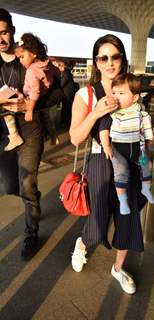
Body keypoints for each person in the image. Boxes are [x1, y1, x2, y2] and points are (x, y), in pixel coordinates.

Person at [70, 34, 146, 295]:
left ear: (123, 59)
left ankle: (118, 268)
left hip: (130, 162)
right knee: (99, 221)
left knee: (127, 220)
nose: (110, 62)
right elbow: (75, 137)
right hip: (100, 162)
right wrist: (97, 112)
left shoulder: (131, 90)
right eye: (103, 57)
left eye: (115, 56)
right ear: (96, 62)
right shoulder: (86, 94)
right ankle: (83, 244)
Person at [0, 8, 43, 260]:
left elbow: (63, 90)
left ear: (12, 32)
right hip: (3, 132)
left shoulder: (28, 57)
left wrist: (31, 105)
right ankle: (33, 200)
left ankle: (31, 233)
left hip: (30, 129)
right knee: (10, 186)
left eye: (4, 32)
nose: (0, 38)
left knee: (27, 184)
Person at [99, 73, 154, 216]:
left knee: (147, 166)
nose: (116, 96)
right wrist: (106, 146)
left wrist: (148, 141)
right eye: (114, 92)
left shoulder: (140, 111)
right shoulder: (113, 112)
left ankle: (146, 189)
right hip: (118, 150)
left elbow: (146, 126)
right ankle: (122, 200)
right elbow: (103, 129)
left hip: (138, 148)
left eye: (121, 93)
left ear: (135, 97)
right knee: (121, 172)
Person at [14, 33, 60, 145]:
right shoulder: (47, 64)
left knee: (9, 112)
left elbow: (35, 91)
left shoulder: (31, 71)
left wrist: (29, 110)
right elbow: (57, 73)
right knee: (46, 117)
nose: (21, 61)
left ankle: (13, 136)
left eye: (22, 57)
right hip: (44, 96)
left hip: (32, 98)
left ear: (33, 53)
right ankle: (54, 136)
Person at [56, 60, 76, 127]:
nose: (58, 67)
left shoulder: (65, 73)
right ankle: (66, 122)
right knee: (67, 108)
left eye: (59, 65)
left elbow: (62, 84)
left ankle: (65, 122)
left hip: (67, 95)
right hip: (69, 94)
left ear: (63, 66)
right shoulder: (67, 73)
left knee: (66, 108)